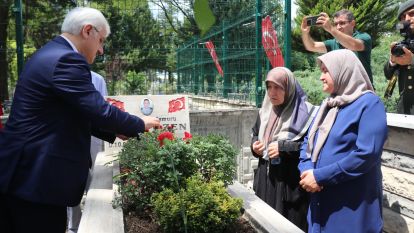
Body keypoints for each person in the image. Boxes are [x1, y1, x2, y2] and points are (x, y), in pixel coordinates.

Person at [0, 7, 160, 233]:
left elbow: (74, 112)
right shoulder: (66, 59)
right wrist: (138, 124)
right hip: (34, 181)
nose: (101, 49)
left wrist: (115, 131)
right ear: (88, 31)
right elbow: (99, 110)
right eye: (101, 40)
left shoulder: (50, 53)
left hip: (23, 176)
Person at [298, 49, 387, 233]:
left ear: (343, 71)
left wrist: (320, 176)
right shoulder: (329, 106)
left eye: (326, 71)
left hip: (351, 209)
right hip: (321, 204)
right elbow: (308, 141)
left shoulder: (369, 104)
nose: (321, 77)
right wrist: (306, 170)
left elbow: (366, 154)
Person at [250, 67, 316, 231]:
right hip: (266, 180)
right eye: (269, 87)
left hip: (290, 185)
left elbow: (312, 146)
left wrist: (284, 148)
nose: (272, 92)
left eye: (278, 87)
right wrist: (255, 147)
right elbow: (254, 134)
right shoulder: (264, 111)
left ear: (289, 88)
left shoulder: (305, 114)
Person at [66, 71, 109, 233]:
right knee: (72, 181)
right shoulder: (65, 74)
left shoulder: (98, 79)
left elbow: (104, 110)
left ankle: (94, 221)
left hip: (93, 137)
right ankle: (73, 225)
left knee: (94, 177)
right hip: (69, 139)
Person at [301, 9, 374, 85]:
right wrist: (305, 32)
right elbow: (312, 46)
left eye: (342, 23)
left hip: (363, 91)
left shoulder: (364, 37)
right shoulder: (333, 43)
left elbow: (353, 45)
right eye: (335, 24)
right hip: (341, 92)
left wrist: (331, 28)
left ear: (352, 23)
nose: (338, 27)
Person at [384, 0, 414, 114]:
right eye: (402, 17)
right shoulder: (403, 45)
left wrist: (412, 60)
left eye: (412, 14)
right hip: (405, 110)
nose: (406, 19)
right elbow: (388, 75)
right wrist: (393, 60)